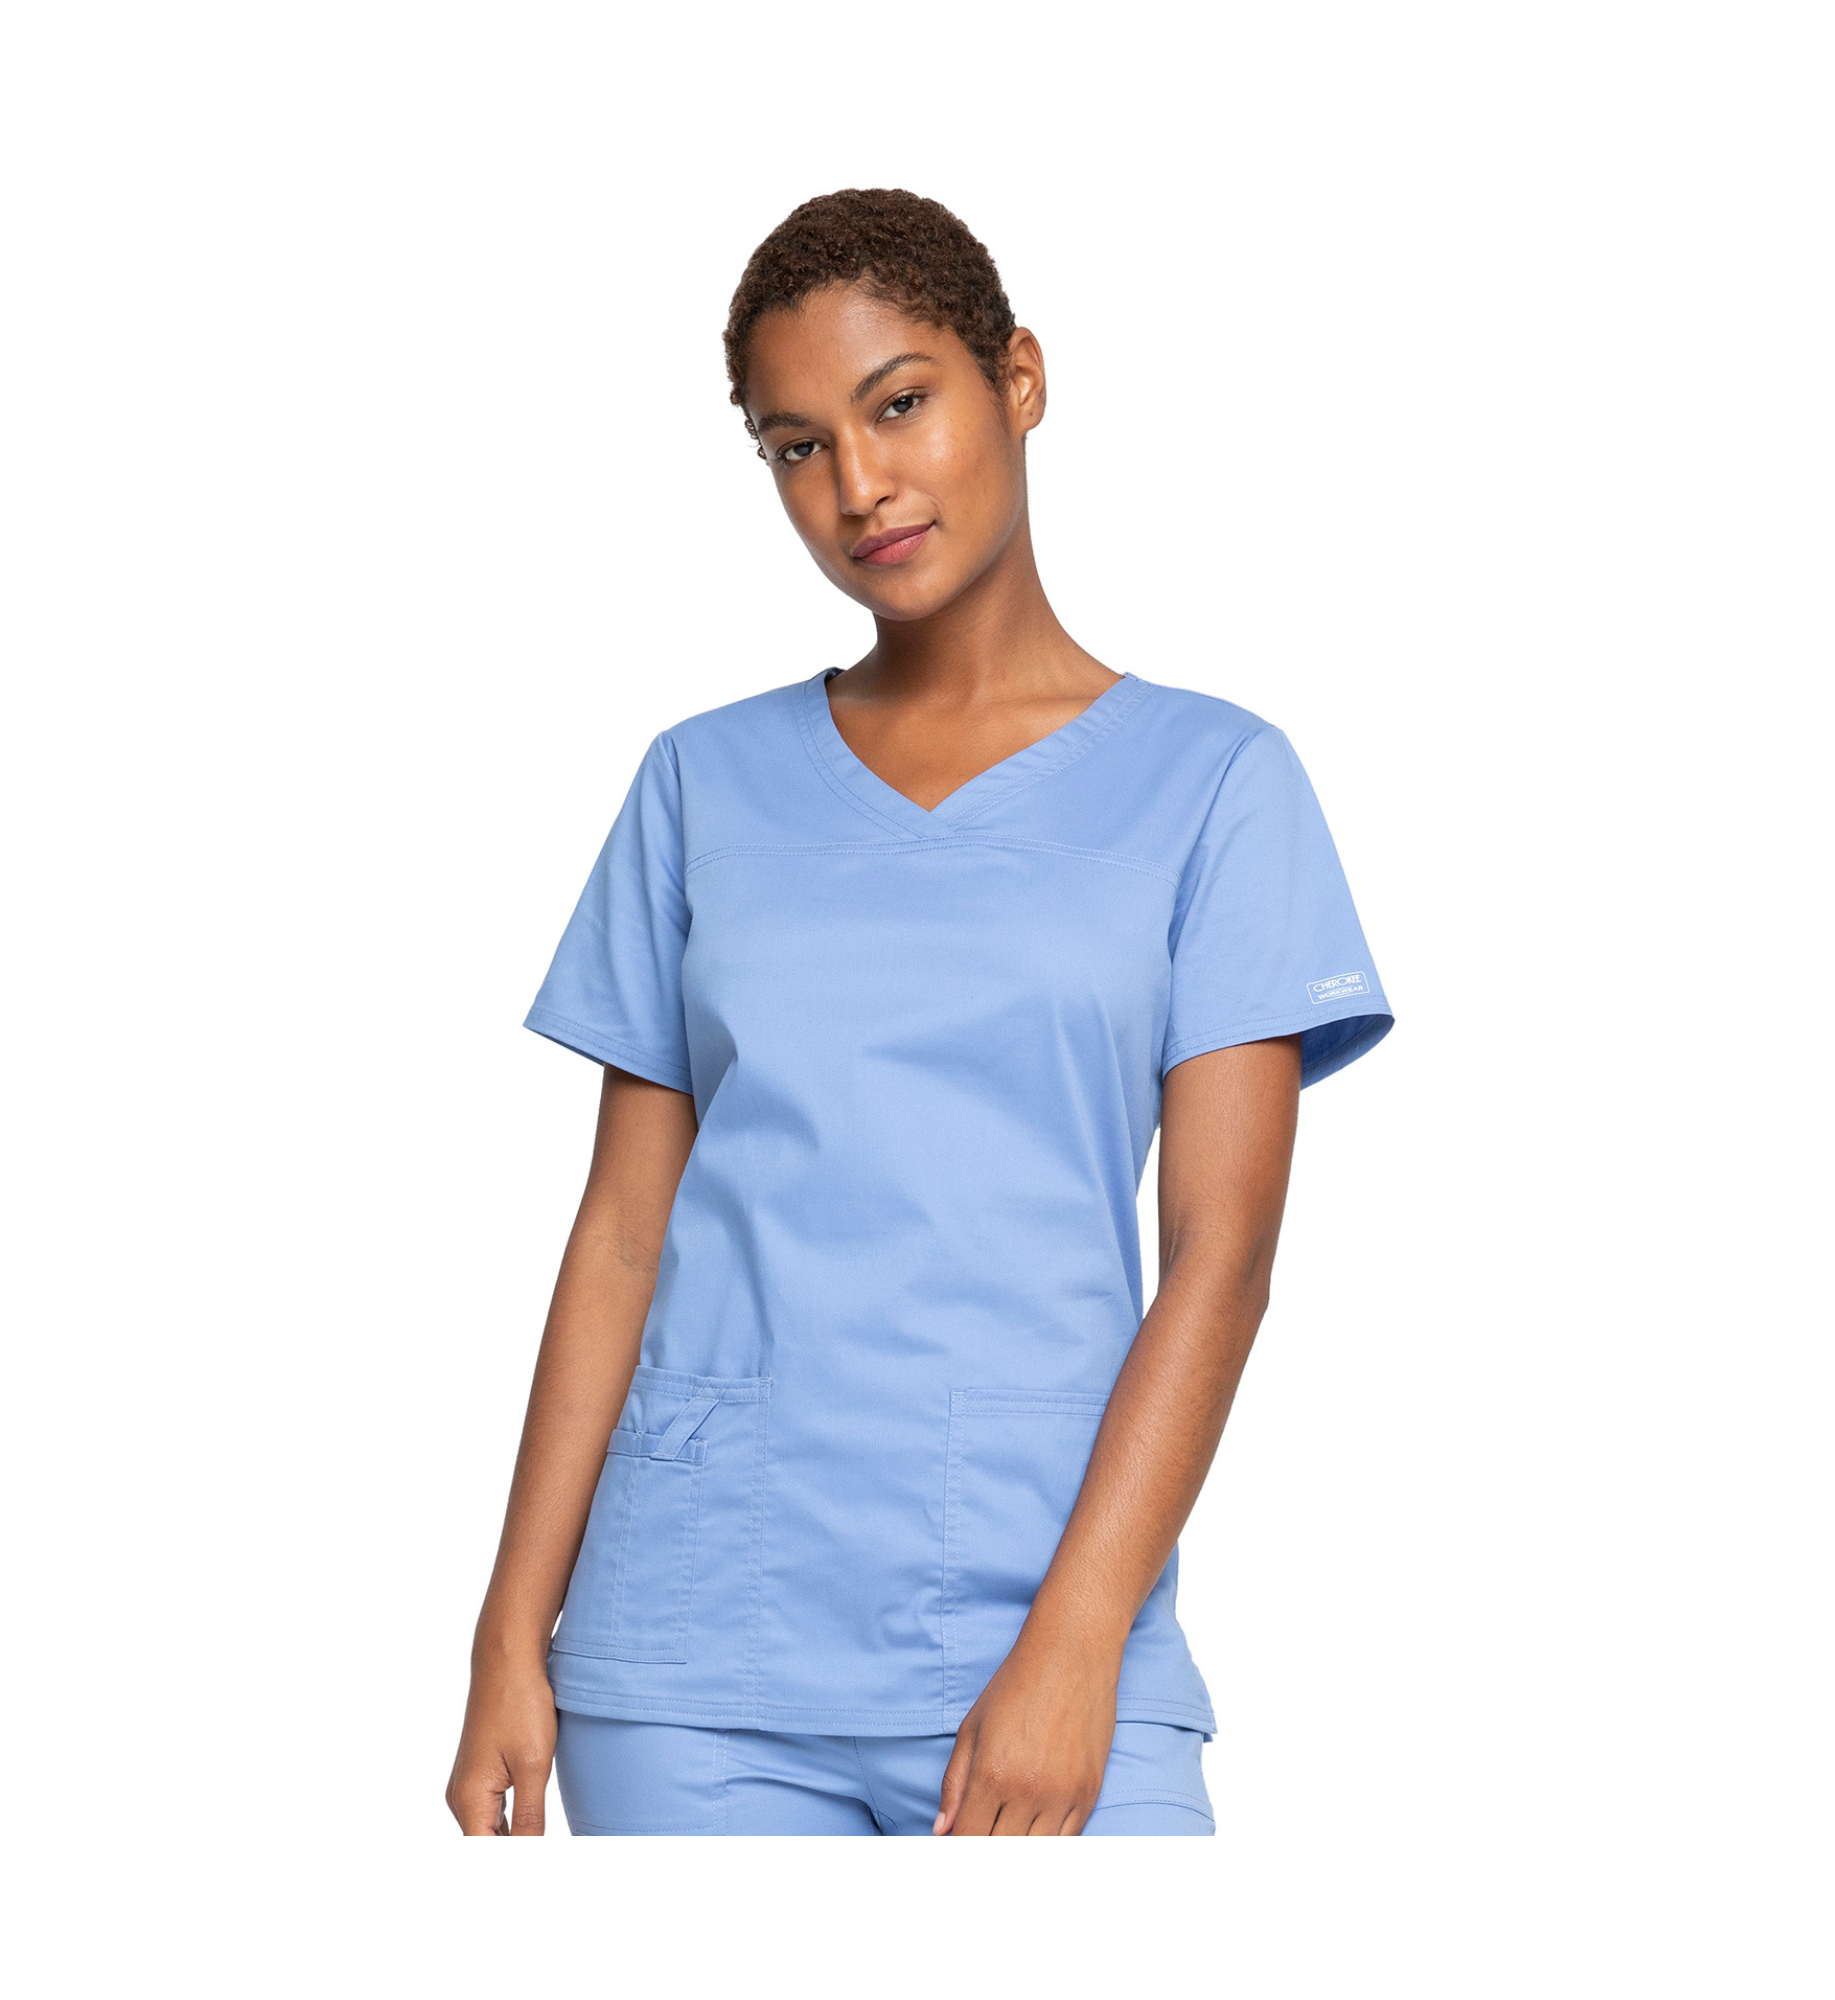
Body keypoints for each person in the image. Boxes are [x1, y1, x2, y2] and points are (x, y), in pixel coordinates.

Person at [446, 188, 1392, 1836]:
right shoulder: (701, 783)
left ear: (1018, 379)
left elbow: (1221, 1255)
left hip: (1044, 1631)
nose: (859, 486)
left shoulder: (1215, 783)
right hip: (692, 1663)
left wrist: (1077, 1647)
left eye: (899, 404)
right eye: (796, 446)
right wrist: (504, 1637)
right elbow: (621, 1236)